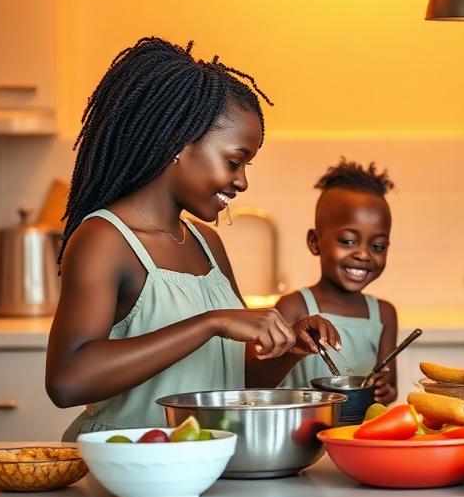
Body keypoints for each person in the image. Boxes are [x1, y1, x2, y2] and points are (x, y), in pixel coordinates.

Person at [46, 37, 339, 439]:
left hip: (201, 458)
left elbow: (238, 381)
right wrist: (213, 322)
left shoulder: (206, 243)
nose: (242, 181)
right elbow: (67, 380)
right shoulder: (105, 239)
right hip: (124, 468)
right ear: (176, 142)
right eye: (234, 162)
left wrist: (288, 349)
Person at [277, 159, 398, 404]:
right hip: (304, 434)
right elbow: (266, 381)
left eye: (377, 246)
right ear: (315, 242)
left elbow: (390, 385)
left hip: (360, 436)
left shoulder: (384, 314)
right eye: (347, 241)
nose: (363, 254)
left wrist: (386, 391)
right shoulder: (293, 307)